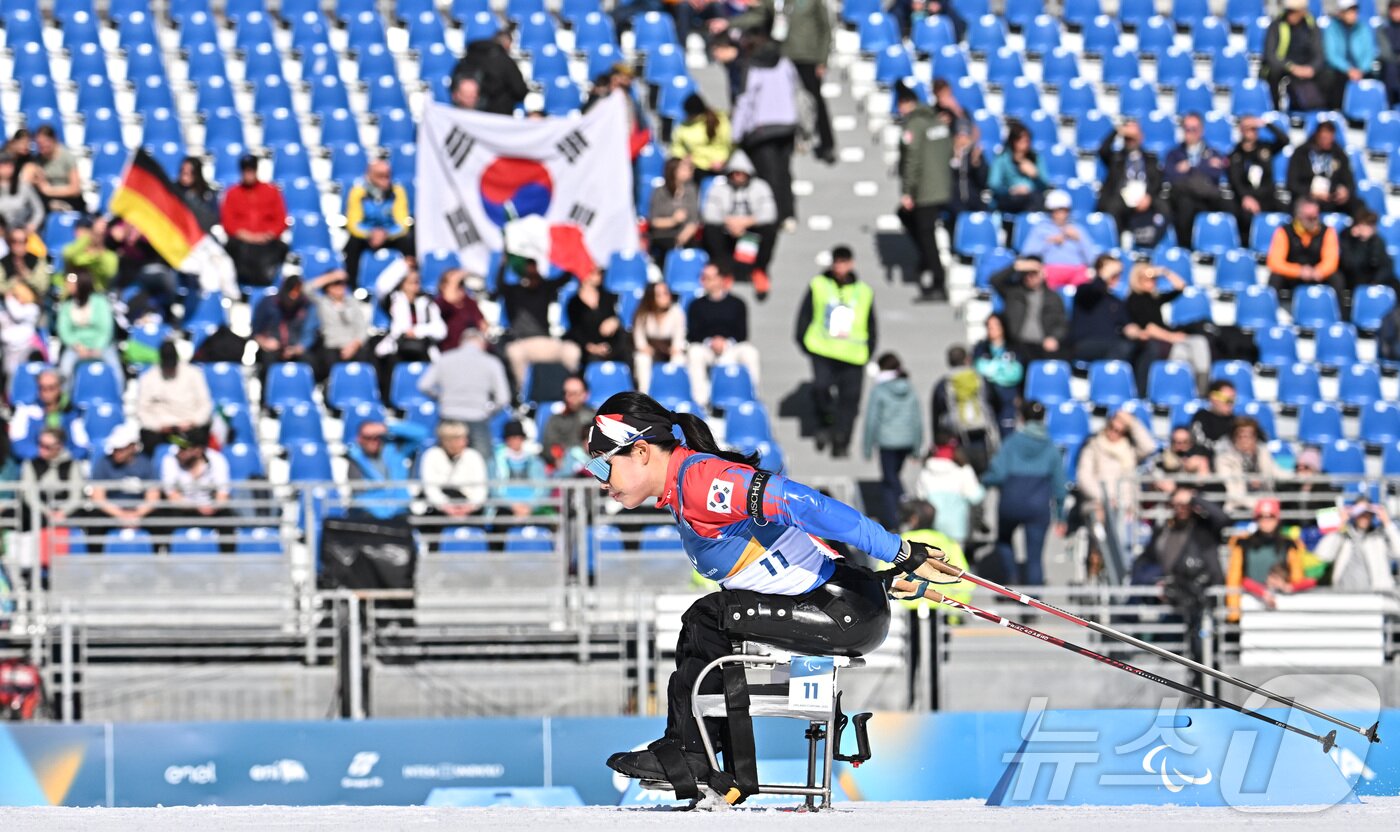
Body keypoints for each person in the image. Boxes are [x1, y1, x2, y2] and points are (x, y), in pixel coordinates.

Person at [592, 392, 955, 799]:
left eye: (602, 464)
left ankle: (696, 756)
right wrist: (877, 583)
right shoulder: (682, 488)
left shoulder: (702, 481)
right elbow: (789, 551)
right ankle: (703, 758)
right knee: (708, 623)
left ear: (641, 451)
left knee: (706, 618)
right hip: (844, 599)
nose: (599, 479)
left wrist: (897, 551)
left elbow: (806, 505)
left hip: (841, 612)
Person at [795, 245, 876, 458]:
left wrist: (869, 350)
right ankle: (825, 422)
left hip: (853, 354)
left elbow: (871, 323)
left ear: (851, 264)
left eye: (843, 262)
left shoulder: (864, 291)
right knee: (821, 388)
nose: (840, 267)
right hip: (823, 350)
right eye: (837, 262)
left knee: (850, 400)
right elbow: (805, 315)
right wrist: (804, 342)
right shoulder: (819, 284)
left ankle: (842, 441)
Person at [729, 0, 835, 163]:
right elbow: (757, 16)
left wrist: (823, 59)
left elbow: (825, 28)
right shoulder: (775, 2)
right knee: (783, 99)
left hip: (808, 57)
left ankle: (827, 144)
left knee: (815, 100)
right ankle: (791, 141)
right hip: (782, 57)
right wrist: (728, 23)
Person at [1133, 487, 1228, 664]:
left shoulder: (1204, 528)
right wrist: (1155, 583)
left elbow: (1222, 518)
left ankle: (1205, 680)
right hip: (1173, 599)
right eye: (1176, 504)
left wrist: (1194, 498)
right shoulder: (1164, 530)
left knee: (1204, 653)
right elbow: (1145, 561)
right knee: (1170, 655)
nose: (1180, 508)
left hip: (1203, 598)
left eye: (1185, 504)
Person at [980, 401, 1066, 586]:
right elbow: (1060, 485)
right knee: (1034, 557)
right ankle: (1033, 597)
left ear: (1022, 417)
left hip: (1011, 502)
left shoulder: (1011, 443)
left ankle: (1012, 579)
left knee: (1004, 540)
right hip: (1038, 507)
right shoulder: (1051, 447)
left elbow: (997, 474)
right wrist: (1060, 515)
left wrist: (983, 484)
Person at [730, 33, 800, 227]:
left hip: (762, 130)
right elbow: (795, 88)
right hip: (787, 125)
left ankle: (773, 216)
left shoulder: (751, 67)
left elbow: (745, 101)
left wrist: (735, 134)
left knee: (769, 176)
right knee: (784, 171)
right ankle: (788, 214)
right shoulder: (785, 62)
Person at [894, 82, 953, 302]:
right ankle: (927, 262)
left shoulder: (915, 125)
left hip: (925, 190)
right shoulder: (935, 120)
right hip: (942, 187)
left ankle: (937, 280)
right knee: (908, 218)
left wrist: (907, 191)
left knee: (927, 237)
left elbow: (912, 160)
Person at [418, 329, 511, 462]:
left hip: (448, 417)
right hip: (478, 418)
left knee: (444, 462)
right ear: (482, 344)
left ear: (461, 342)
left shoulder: (445, 358)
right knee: (481, 463)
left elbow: (423, 385)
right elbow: (503, 399)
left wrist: (441, 398)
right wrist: (488, 411)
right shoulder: (491, 362)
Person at [1125, 263, 1213, 395]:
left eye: (1154, 279)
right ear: (1137, 279)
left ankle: (1200, 390)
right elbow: (1149, 328)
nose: (1152, 281)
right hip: (1159, 341)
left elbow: (1181, 286)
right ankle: (1194, 392)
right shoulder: (1134, 300)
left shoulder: (1154, 298)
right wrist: (1172, 337)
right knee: (1186, 350)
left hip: (1167, 339)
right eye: (1147, 278)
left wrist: (1164, 272)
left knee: (1196, 345)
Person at [494, 256, 581, 387]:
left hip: (546, 342)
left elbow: (564, 278)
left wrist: (570, 259)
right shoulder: (513, 292)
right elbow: (499, 286)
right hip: (522, 342)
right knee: (514, 352)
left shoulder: (545, 288)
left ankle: (572, 388)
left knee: (571, 350)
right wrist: (503, 265)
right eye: (528, 271)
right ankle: (522, 392)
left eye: (534, 269)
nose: (531, 274)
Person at [701, 151, 779, 297]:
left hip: (752, 230)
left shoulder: (760, 187)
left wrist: (746, 222)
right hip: (727, 231)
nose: (738, 177)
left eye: (742, 173)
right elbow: (709, 213)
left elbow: (770, 213)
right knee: (711, 230)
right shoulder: (719, 187)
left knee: (770, 229)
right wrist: (729, 222)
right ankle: (724, 271)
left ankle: (759, 270)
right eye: (735, 173)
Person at [1225, 497, 1315, 622]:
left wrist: (1286, 586)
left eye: (1270, 516)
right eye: (1262, 517)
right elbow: (1235, 579)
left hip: (1283, 608)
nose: (1266, 521)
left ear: (1277, 518)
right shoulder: (1242, 544)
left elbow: (1307, 580)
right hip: (1251, 606)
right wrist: (1234, 613)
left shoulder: (1290, 544)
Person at [686, 264, 762, 410]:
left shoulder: (737, 303)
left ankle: (751, 396)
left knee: (750, 352)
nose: (708, 281)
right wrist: (711, 342)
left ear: (721, 279)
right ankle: (701, 402)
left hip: (731, 348)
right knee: (694, 352)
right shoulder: (695, 305)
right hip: (707, 349)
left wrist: (725, 343)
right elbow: (693, 334)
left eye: (712, 277)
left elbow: (742, 333)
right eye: (705, 278)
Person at [862, 353, 923, 530]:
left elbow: (871, 420)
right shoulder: (910, 389)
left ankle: (895, 515)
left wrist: (867, 446)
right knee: (894, 475)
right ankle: (900, 509)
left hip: (887, 442)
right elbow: (917, 420)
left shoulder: (879, 390)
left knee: (889, 481)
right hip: (906, 440)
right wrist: (917, 446)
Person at [1163, 112, 1233, 249]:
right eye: (1187, 129)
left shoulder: (1214, 153)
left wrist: (1189, 168)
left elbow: (1216, 173)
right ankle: (1185, 249)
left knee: (1228, 204)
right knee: (1185, 204)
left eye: (1194, 129)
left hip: (1207, 201)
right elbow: (1170, 175)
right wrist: (1204, 166)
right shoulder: (1173, 154)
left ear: (1201, 130)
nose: (1190, 133)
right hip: (1184, 202)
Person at [1097, 118, 1168, 251]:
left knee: (1164, 207)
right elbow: (1102, 150)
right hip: (1121, 197)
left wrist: (1148, 197)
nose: (1130, 140)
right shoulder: (1116, 157)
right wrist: (1118, 130)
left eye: (1133, 137)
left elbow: (1158, 181)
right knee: (1112, 207)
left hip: (1144, 197)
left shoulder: (1151, 158)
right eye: (1127, 138)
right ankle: (1116, 248)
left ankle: (1156, 248)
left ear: (1141, 137)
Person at [86, 423, 161, 546]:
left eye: (120, 448)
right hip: (111, 512)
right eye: (115, 448)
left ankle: (158, 554)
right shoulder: (103, 463)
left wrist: (136, 515)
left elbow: (153, 497)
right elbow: (98, 497)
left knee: (160, 520)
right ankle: (95, 556)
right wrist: (121, 515)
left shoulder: (146, 464)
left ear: (133, 447)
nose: (116, 452)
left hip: (139, 512)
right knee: (94, 521)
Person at [342, 159, 414, 288]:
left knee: (408, 241)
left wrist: (386, 234)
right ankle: (351, 286)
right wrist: (370, 234)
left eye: (388, 175)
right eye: (380, 176)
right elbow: (353, 224)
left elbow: (403, 223)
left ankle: (411, 282)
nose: (385, 180)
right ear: (370, 175)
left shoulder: (397, 191)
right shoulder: (358, 192)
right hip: (367, 236)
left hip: (390, 235)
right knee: (352, 245)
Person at [1075, 408, 1156, 521]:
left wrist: (1132, 422)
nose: (1113, 432)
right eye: (1111, 427)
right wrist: (1106, 498)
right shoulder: (1093, 446)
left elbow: (1149, 447)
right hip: (1100, 504)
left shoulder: (1129, 450)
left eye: (1118, 430)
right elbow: (1084, 478)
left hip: (1127, 506)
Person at [221, 155, 289, 287]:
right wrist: (246, 235)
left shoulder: (271, 191)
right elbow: (228, 222)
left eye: (251, 170)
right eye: (245, 170)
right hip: (242, 243)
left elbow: (281, 220)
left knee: (280, 249)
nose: (249, 174)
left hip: (266, 243)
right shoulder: (232, 193)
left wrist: (268, 235)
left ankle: (268, 283)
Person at [1266, 197, 1345, 309]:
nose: (1313, 220)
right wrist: (1299, 271)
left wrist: (1319, 271)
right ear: (1299, 216)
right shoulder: (1283, 232)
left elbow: (1331, 261)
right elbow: (1275, 262)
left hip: (1317, 274)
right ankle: (1269, 311)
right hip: (1293, 276)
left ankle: (1339, 315)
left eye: (1315, 217)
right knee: (1275, 278)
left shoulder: (1328, 232)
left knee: (1337, 278)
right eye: (1309, 217)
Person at [931, 344, 999, 474]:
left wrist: (936, 441)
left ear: (949, 361)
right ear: (967, 359)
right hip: (980, 435)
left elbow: (937, 414)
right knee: (980, 475)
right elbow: (994, 401)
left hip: (955, 437)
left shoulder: (944, 384)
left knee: (959, 475)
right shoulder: (980, 379)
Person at [989, 256, 1069, 363]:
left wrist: (1054, 337)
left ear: (1042, 273)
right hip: (1017, 345)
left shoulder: (1053, 297)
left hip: (1043, 346)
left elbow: (1062, 324)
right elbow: (994, 280)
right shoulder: (1013, 292)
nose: (1030, 276)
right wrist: (1016, 267)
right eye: (1026, 273)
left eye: (1034, 273)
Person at [136, 341, 214, 451]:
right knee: (147, 437)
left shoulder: (193, 373)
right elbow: (142, 410)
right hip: (162, 431)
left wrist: (193, 421)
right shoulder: (148, 378)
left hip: (189, 427)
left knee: (201, 436)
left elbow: (206, 404)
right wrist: (158, 426)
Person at [375, 261, 447, 379]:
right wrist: (402, 265)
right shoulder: (394, 300)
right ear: (402, 284)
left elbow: (441, 330)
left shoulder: (428, 303)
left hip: (423, 349)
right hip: (398, 348)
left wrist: (417, 331)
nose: (415, 285)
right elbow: (381, 285)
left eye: (417, 281)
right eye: (411, 282)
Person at [915, 435, 986, 552]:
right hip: (956, 529)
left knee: (936, 559)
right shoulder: (963, 470)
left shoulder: (925, 471)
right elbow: (975, 497)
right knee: (956, 560)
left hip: (932, 527)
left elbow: (920, 497)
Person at [55, 269, 122, 393]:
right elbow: (64, 330)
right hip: (77, 347)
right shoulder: (67, 305)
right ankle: (66, 398)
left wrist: (98, 347)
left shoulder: (100, 301)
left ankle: (118, 396)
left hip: (102, 346)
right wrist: (77, 346)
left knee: (115, 370)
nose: (68, 284)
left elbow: (106, 328)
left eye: (72, 281)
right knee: (65, 369)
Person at [1227, 115, 1291, 244]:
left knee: (1288, 212)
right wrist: (1245, 197)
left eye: (1254, 128)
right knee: (1245, 217)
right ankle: (1249, 247)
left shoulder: (1265, 148)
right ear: (1241, 130)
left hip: (1268, 197)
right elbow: (1235, 180)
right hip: (1248, 199)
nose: (1252, 131)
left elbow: (1284, 140)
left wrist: (1265, 124)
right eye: (1248, 128)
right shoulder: (1235, 154)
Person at [1315, 498, 1400, 591]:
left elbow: (1398, 552)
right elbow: (1322, 555)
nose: (1364, 516)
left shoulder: (1380, 537)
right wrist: (1339, 524)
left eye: (1367, 512)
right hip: (1344, 593)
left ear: (1372, 514)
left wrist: (1388, 523)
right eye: (1359, 512)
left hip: (1374, 595)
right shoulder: (1343, 536)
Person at [1069, 254, 1142, 364]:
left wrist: (1134, 331)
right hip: (1085, 343)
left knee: (1144, 347)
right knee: (1121, 347)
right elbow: (1094, 288)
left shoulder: (1116, 301)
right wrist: (1105, 274)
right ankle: (1108, 373)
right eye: (1113, 274)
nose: (1115, 277)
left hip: (1112, 344)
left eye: (1117, 274)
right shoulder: (1084, 290)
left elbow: (1126, 325)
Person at [1021, 190, 1100, 287]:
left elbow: (1092, 259)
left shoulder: (1078, 229)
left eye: (1064, 210)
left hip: (1076, 271)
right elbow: (1027, 254)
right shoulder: (1040, 229)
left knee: (1087, 280)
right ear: (1050, 211)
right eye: (1057, 210)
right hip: (1050, 271)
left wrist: (1080, 239)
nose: (1061, 214)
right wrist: (1049, 242)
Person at [305, 265, 368, 384]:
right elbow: (306, 289)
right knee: (329, 363)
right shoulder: (322, 302)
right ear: (328, 287)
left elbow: (362, 327)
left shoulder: (352, 302)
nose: (340, 287)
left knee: (365, 360)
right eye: (335, 284)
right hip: (332, 347)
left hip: (353, 346)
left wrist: (354, 345)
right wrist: (331, 276)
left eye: (342, 283)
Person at [345, 419, 418, 522]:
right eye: (367, 437)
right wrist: (384, 511)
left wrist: (386, 428)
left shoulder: (396, 451)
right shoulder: (355, 460)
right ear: (360, 439)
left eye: (376, 437)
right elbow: (359, 495)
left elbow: (421, 435)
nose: (372, 441)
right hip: (372, 515)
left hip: (400, 511)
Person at [1262, 0, 1329, 111]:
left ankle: (1323, 111)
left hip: (1306, 67)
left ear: (1303, 11)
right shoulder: (1277, 25)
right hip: (1285, 67)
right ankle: (1275, 110)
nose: (1291, 15)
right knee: (1273, 73)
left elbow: (1319, 54)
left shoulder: (1311, 26)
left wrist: (1312, 68)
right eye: (1289, 11)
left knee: (1328, 75)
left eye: (1294, 11)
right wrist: (1291, 67)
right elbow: (1270, 55)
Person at [8, 369, 87, 461]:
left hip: (65, 462)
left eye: (51, 388)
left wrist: (62, 456)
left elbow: (82, 446)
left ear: (59, 388)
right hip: (35, 462)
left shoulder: (72, 412)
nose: (46, 392)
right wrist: (41, 453)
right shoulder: (25, 409)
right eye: (42, 388)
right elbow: (17, 444)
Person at [451, 24, 529, 116]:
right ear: (507, 43)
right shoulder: (505, 61)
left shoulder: (469, 57)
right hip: (497, 117)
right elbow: (520, 90)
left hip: (465, 115)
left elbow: (454, 85)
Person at [419, 420, 489, 520]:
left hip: (469, 509)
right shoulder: (431, 455)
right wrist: (446, 507)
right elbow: (430, 488)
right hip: (440, 509)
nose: (465, 442)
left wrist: (469, 507)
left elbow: (481, 489)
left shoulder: (473, 456)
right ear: (448, 441)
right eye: (460, 439)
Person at [18, 427, 84, 531]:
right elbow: (29, 496)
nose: (41, 449)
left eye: (47, 446)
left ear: (59, 446)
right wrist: (47, 512)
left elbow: (76, 496)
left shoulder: (72, 464)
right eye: (40, 444)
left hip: (66, 514)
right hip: (39, 514)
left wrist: (62, 512)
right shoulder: (30, 464)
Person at [160, 428, 232, 523]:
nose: (179, 451)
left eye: (184, 448)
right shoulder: (170, 460)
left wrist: (213, 507)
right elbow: (172, 495)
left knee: (228, 518)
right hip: (183, 511)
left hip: (212, 511)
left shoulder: (217, 459)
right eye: (179, 446)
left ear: (198, 450)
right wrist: (197, 507)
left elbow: (223, 495)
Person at [1285, 121, 1356, 216]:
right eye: (1324, 137)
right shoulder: (1301, 153)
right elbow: (1292, 184)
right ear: (1317, 135)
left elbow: (1350, 182)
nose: (1327, 141)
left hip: (1332, 198)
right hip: (1307, 196)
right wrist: (1311, 193)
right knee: (1304, 206)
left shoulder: (1339, 155)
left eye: (1330, 137)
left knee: (1356, 204)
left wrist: (1345, 191)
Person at [251, 274, 318, 373]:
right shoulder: (268, 303)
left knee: (311, 362)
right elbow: (256, 331)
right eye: (290, 296)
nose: (292, 300)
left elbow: (309, 333)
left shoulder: (307, 306)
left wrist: (298, 348)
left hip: (296, 348)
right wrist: (265, 342)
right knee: (267, 360)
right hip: (272, 348)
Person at [1214, 416, 1281, 514]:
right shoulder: (1225, 459)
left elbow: (1277, 473)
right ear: (1234, 438)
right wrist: (1259, 505)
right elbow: (1232, 491)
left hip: (1265, 506)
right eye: (1241, 436)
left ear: (1255, 438)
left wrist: (1299, 475)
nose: (1245, 440)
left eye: (1249, 436)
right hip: (1238, 507)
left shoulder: (1263, 454)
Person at [565, 267, 629, 367]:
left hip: (612, 345)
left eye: (599, 273)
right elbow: (575, 330)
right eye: (594, 273)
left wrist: (615, 321)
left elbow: (619, 317)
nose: (599, 276)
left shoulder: (608, 296)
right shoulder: (573, 303)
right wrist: (592, 347)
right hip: (588, 348)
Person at [971, 313, 1023, 434]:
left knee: (1007, 432)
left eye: (995, 325)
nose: (992, 329)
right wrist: (1001, 368)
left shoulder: (1014, 348)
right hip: (986, 397)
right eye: (989, 326)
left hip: (1008, 398)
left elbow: (1015, 374)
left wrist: (993, 369)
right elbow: (980, 368)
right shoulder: (981, 348)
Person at [632, 282, 686, 394]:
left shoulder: (676, 311)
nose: (665, 297)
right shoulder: (642, 313)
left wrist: (675, 348)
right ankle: (645, 395)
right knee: (642, 358)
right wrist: (644, 347)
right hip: (651, 351)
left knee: (679, 359)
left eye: (666, 293)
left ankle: (673, 393)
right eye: (659, 295)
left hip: (670, 351)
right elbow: (639, 338)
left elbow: (680, 335)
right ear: (651, 298)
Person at [1322, 0, 1375, 110]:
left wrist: (1361, 70)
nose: (1352, 14)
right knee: (1332, 77)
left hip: (1361, 70)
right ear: (1340, 13)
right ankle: (1336, 109)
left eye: (1354, 10)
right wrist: (1348, 69)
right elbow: (1331, 54)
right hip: (1341, 71)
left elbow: (1369, 52)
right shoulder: (1332, 29)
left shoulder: (1363, 28)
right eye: (1348, 11)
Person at [988, 121, 1049, 215]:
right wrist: (1011, 190)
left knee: (1038, 199)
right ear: (1014, 141)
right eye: (1022, 141)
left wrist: (1035, 176)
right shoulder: (1002, 159)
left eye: (1027, 141)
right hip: (1009, 198)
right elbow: (994, 184)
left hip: (1031, 198)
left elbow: (1045, 185)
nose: (1025, 144)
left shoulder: (1036, 158)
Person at [649, 157, 702, 263]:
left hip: (686, 236)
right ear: (673, 171)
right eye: (684, 169)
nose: (689, 171)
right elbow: (654, 221)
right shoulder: (660, 192)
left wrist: (683, 236)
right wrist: (673, 220)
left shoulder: (692, 190)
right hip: (664, 236)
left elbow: (694, 219)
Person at [1338, 209, 1398, 304]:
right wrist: (1359, 242)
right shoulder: (1348, 240)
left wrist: (1376, 280)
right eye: (1366, 225)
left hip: (1374, 279)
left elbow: (1386, 265)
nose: (1370, 229)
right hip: (1355, 279)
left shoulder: (1377, 241)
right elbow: (1351, 264)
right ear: (1358, 226)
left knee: (1395, 284)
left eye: (1372, 225)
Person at [670, 94, 734, 182]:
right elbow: (677, 147)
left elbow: (729, 143)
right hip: (697, 167)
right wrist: (683, 158)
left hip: (720, 166)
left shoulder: (720, 121)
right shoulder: (683, 127)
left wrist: (723, 160)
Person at [492, 420, 548, 518]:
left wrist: (530, 507)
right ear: (507, 440)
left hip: (531, 509)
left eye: (519, 437)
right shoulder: (495, 462)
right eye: (512, 437)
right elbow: (494, 491)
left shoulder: (535, 461)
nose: (516, 441)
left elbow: (544, 489)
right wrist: (513, 506)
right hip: (506, 509)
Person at [541, 374, 594, 471]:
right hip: (564, 466)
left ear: (585, 395)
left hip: (590, 465)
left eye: (574, 393)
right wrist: (558, 454)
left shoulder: (595, 418)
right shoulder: (556, 420)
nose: (568, 397)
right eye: (566, 393)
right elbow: (549, 446)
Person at [27, 125, 83, 212]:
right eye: (39, 144)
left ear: (54, 140)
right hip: (48, 199)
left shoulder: (67, 157)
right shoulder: (37, 160)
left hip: (69, 198)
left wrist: (49, 191)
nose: (42, 147)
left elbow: (75, 189)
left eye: (45, 142)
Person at [434, 267, 486, 352]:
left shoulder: (470, 302)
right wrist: (456, 278)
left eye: (461, 285)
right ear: (444, 287)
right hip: (450, 351)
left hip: (472, 349)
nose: (459, 288)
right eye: (457, 285)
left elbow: (483, 324)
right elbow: (449, 297)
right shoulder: (440, 304)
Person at [60, 217, 118, 289]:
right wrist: (88, 237)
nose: (97, 237)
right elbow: (67, 254)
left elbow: (110, 271)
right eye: (90, 231)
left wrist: (97, 254)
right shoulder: (77, 249)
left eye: (102, 235)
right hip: (73, 292)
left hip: (95, 293)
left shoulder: (110, 256)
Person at [0, 152, 44, 233]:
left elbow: (38, 210)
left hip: (22, 230)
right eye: (3, 165)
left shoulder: (24, 186)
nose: (7, 169)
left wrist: (33, 225)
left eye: (10, 165)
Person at [1191, 380, 1244, 445]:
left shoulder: (1236, 422)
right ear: (1213, 397)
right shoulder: (1201, 417)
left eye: (1233, 400)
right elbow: (1200, 443)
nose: (1230, 403)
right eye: (1227, 399)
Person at [175, 155, 219, 229]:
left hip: (200, 230)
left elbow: (213, 217)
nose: (185, 174)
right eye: (183, 171)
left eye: (190, 172)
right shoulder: (173, 190)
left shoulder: (207, 193)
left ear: (197, 173)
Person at [1380, 0, 1400, 106]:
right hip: (1391, 63)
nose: (1396, 13)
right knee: (1390, 68)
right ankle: (1389, 104)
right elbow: (1385, 52)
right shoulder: (1384, 29)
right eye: (1394, 10)